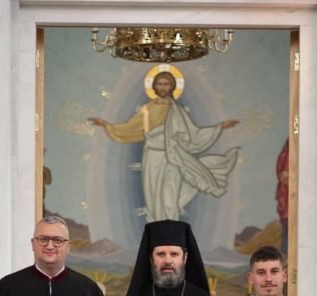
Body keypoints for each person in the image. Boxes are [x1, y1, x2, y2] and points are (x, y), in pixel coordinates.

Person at [89, 70, 239, 222]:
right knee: (153, 194)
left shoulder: (177, 111)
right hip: (152, 156)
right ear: (154, 87)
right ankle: (155, 230)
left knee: (170, 194)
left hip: (172, 156)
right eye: (159, 84)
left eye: (166, 84)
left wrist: (220, 127)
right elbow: (129, 127)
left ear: (172, 87)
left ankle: (171, 230)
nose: (162, 87)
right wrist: (106, 125)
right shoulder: (147, 110)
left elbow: (193, 134)